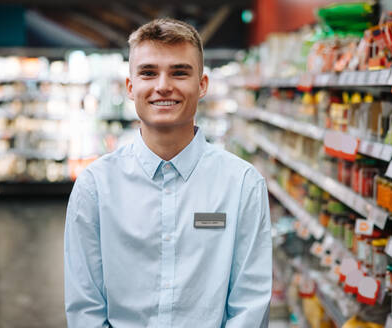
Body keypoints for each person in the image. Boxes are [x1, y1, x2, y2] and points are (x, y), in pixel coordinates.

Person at [64, 18, 272, 328]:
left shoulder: (242, 185)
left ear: (202, 85)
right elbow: (85, 308)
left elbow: (250, 306)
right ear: (131, 87)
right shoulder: (95, 186)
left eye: (179, 72)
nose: (163, 85)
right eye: (148, 73)